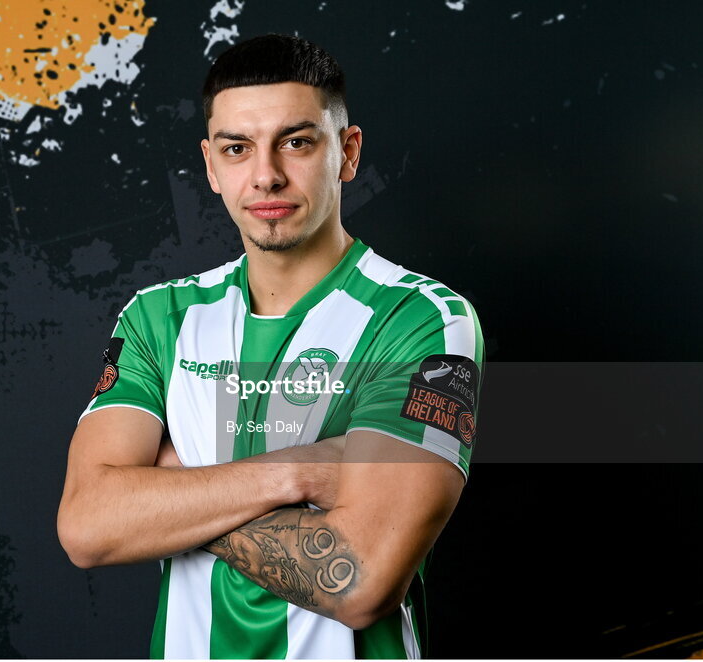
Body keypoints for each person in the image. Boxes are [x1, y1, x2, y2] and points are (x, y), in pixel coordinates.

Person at [57, 34, 484, 659]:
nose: (266, 175)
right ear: (210, 165)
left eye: (297, 141)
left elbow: (361, 581)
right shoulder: (158, 318)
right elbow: (88, 526)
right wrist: (300, 470)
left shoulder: (422, 319)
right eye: (237, 148)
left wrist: (173, 483)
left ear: (348, 151)